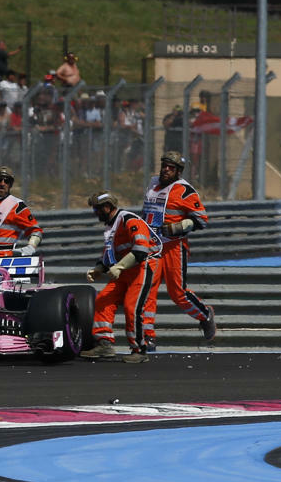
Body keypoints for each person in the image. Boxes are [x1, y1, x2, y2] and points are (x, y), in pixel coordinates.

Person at [140, 151, 215, 349]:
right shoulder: (152, 183)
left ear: (178, 171)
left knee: (178, 293)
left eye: (171, 168)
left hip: (175, 247)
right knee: (147, 290)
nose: (166, 170)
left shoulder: (185, 190)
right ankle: (147, 336)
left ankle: (205, 314)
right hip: (152, 245)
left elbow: (202, 220)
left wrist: (178, 227)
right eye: (164, 165)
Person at [80, 191, 162, 364]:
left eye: (97, 210)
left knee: (132, 307)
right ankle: (104, 344)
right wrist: (98, 269)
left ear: (107, 207)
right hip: (124, 269)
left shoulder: (129, 220)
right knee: (103, 299)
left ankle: (139, 350)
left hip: (142, 266)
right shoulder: (111, 227)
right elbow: (109, 255)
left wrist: (119, 267)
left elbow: (141, 250)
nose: (95, 214)